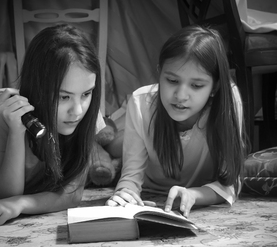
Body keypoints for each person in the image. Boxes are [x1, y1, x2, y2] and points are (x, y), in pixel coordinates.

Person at [0, 24, 104, 226]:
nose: (77, 111)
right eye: (64, 96)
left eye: (86, 94)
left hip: (34, 175)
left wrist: (22, 203)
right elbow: (3, 197)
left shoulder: (87, 112)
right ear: (39, 86)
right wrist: (16, 132)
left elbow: (73, 195)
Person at [106, 25, 249, 218]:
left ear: (214, 87)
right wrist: (124, 194)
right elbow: (131, 177)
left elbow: (231, 182)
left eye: (196, 85)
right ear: (160, 73)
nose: (180, 96)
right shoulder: (140, 103)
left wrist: (194, 195)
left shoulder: (228, 102)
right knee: (114, 145)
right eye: (172, 81)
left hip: (201, 191)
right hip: (151, 189)